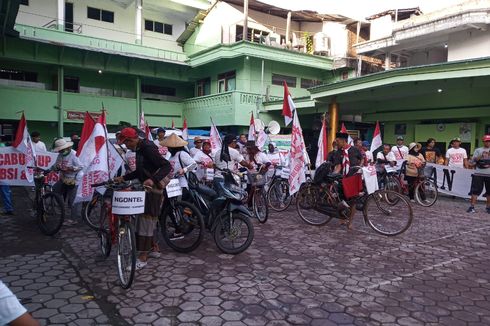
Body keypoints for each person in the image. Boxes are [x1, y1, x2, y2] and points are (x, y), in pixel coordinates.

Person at [115, 127, 171, 270]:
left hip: (153, 189)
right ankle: (153, 249)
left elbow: (166, 166)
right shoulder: (140, 148)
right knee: (149, 220)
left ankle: (142, 258)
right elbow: (141, 171)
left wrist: (152, 180)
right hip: (147, 188)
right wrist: (123, 177)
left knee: (145, 222)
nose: (126, 146)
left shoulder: (147, 148)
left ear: (132, 140)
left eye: (126, 143)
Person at [332, 132, 363, 229]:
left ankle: (350, 222)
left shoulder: (354, 150)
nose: (336, 143)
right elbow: (338, 166)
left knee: (353, 201)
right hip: (343, 179)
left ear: (343, 140)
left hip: (353, 178)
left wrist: (360, 167)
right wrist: (333, 175)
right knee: (341, 200)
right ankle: (342, 218)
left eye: (337, 141)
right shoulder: (338, 152)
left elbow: (361, 158)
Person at [52, 138, 83, 223]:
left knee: (73, 199)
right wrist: (57, 167)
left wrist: (72, 168)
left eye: (62, 150)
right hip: (64, 178)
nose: (61, 152)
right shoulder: (60, 155)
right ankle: (62, 207)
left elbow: (81, 166)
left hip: (75, 179)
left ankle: (74, 219)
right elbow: (56, 165)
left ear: (67, 148)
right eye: (60, 150)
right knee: (55, 190)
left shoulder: (74, 154)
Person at [467, 135, 490, 213]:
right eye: (486, 141)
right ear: (483, 141)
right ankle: (471, 207)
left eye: (489, 141)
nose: (488, 142)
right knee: (475, 191)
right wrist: (481, 156)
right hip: (479, 173)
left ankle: (488, 208)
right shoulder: (478, 150)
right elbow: (472, 162)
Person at [0, 136, 14, 215]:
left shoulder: (3, 147)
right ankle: (8, 209)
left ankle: (9, 209)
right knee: (6, 192)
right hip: (4, 174)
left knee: (6, 192)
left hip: (3, 174)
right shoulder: (4, 147)